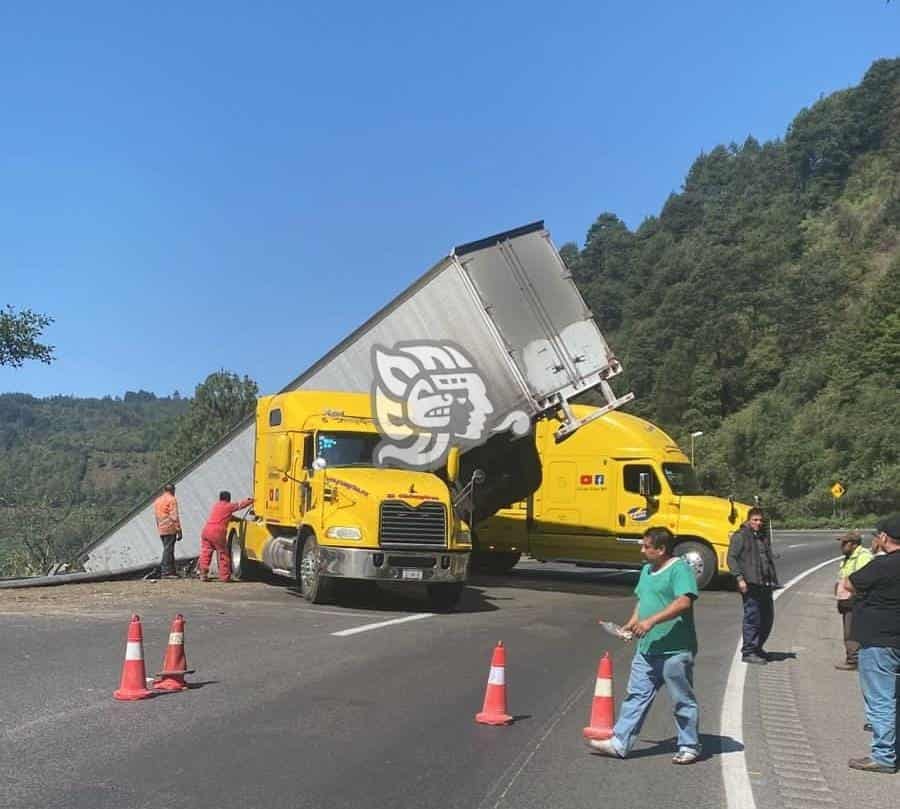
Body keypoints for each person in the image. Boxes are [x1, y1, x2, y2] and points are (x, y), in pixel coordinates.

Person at [589, 527, 701, 764]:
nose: (642, 550)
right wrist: (632, 623)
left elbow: (683, 602)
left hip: (675, 649)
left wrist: (651, 622)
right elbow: (643, 600)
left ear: (661, 550)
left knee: (682, 699)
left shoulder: (679, 569)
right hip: (647, 649)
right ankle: (620, 743)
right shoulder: (647, 571)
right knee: (636, 695)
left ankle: (689, 745)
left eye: (646, 546)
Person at [842, 514, 900, 774]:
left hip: (879, 641)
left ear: (885, 538)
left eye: (877, 536)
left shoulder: (882, 565)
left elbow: (848, 583)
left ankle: (884, 756)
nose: (875, 540)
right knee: (892, 697)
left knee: (880, 699)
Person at [727, 507, 779, 664]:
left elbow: (766, 559)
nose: (758, 523)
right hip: (750, 583)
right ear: (749, 520)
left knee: (767, 618)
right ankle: (748, 651)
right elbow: (731, 558)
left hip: (765, 583)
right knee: (753, 618)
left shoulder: (763, 536)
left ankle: (758, 648)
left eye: (760, 520)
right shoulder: (741, 536)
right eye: (755, 520)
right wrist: (739, 578)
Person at [834, 530, 872, 670]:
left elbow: (864, 580)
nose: (842, 546)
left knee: (851, 632)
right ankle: (854, 658)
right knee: (849, 630)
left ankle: (853, 660)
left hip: (856, 601)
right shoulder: (848, 557)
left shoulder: (863, 557)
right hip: (846, 601)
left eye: (845, 543)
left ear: (854, 544)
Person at [199, 490, 254, 582]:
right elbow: (240, 505)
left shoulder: (216, 505)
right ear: (228, 498)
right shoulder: (229, 506)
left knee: (206, 552)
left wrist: (236, 519)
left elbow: (225, 516)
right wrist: (251, 500)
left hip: (206, 530)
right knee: (223, 554)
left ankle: (203, 574)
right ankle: (225, 577)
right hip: (217, 532)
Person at [153, 483, 182, 578]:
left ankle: (172, 571)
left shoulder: (158, 500)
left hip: (161, 527)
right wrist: (179, 530)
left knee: (168, 549)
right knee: (168, 550)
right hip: (170, 527)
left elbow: (156, 516)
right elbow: (174, 516)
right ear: (172, 490)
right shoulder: (172, 500)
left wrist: (159, 527)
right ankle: (166, 572)